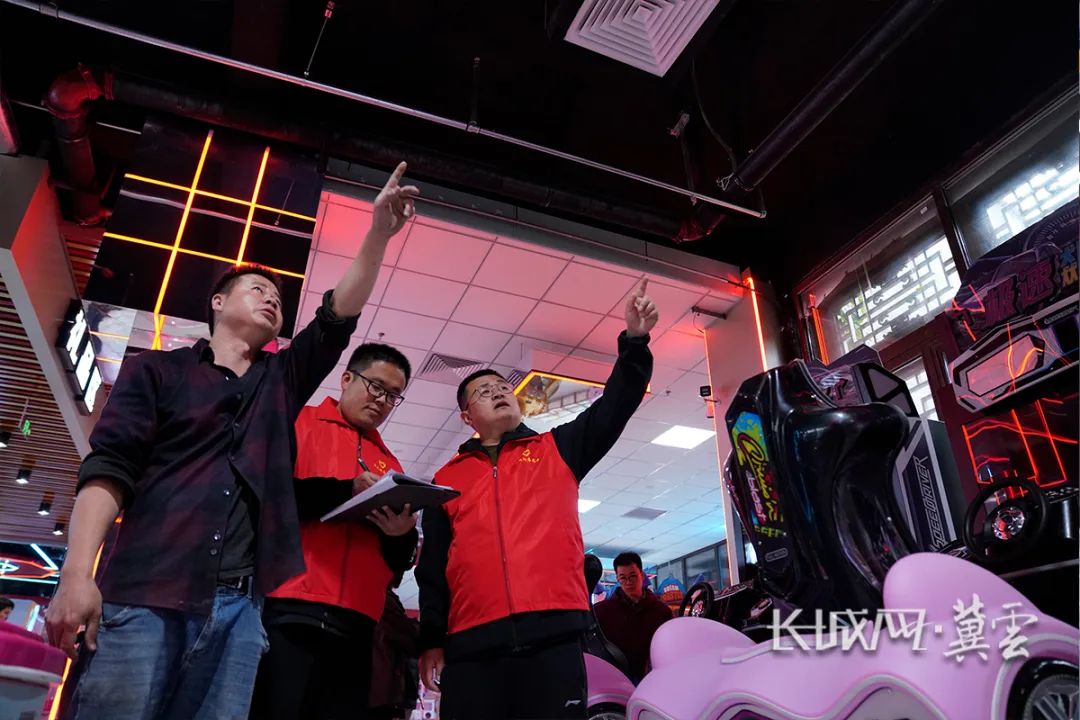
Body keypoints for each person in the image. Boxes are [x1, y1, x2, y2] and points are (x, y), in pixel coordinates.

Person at [45, 163, 420, 720]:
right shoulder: (157, 371)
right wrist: (76, 573)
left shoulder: (281, 381)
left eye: (278, 298)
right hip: (145, 591)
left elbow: (337, 315)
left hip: (241, 610)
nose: (272, 299)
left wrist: (378, 235)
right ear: (218, 303)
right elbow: (109, 470)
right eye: (257, 289)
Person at [416, 278, 658, 720]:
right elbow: (432, 568)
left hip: (554, 638)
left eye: (502, 387)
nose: (497, 392)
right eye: (483, 391)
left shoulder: (558, 449)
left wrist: (635, 342)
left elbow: (616, 404)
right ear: (467, 417)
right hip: (472, 646)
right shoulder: (444, 480)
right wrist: (431, 639)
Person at [250, 343, 419, 720]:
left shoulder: (390, 464)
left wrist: (401, 535)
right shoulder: (298, 423)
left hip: (359, 623)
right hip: (288, 604)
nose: (382, 400)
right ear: (346, 379)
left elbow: (395, 566)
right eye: (376, 386)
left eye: (393, 395)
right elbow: (268, 498)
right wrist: (344, 491)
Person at [592, 552, 673, 683]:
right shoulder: (602, 611)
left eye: (632, 576)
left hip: (654, 678)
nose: (628, 582)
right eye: (623, 578)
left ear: (642, 575)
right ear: (617, 578)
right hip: (616, 679)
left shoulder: (661, 611)